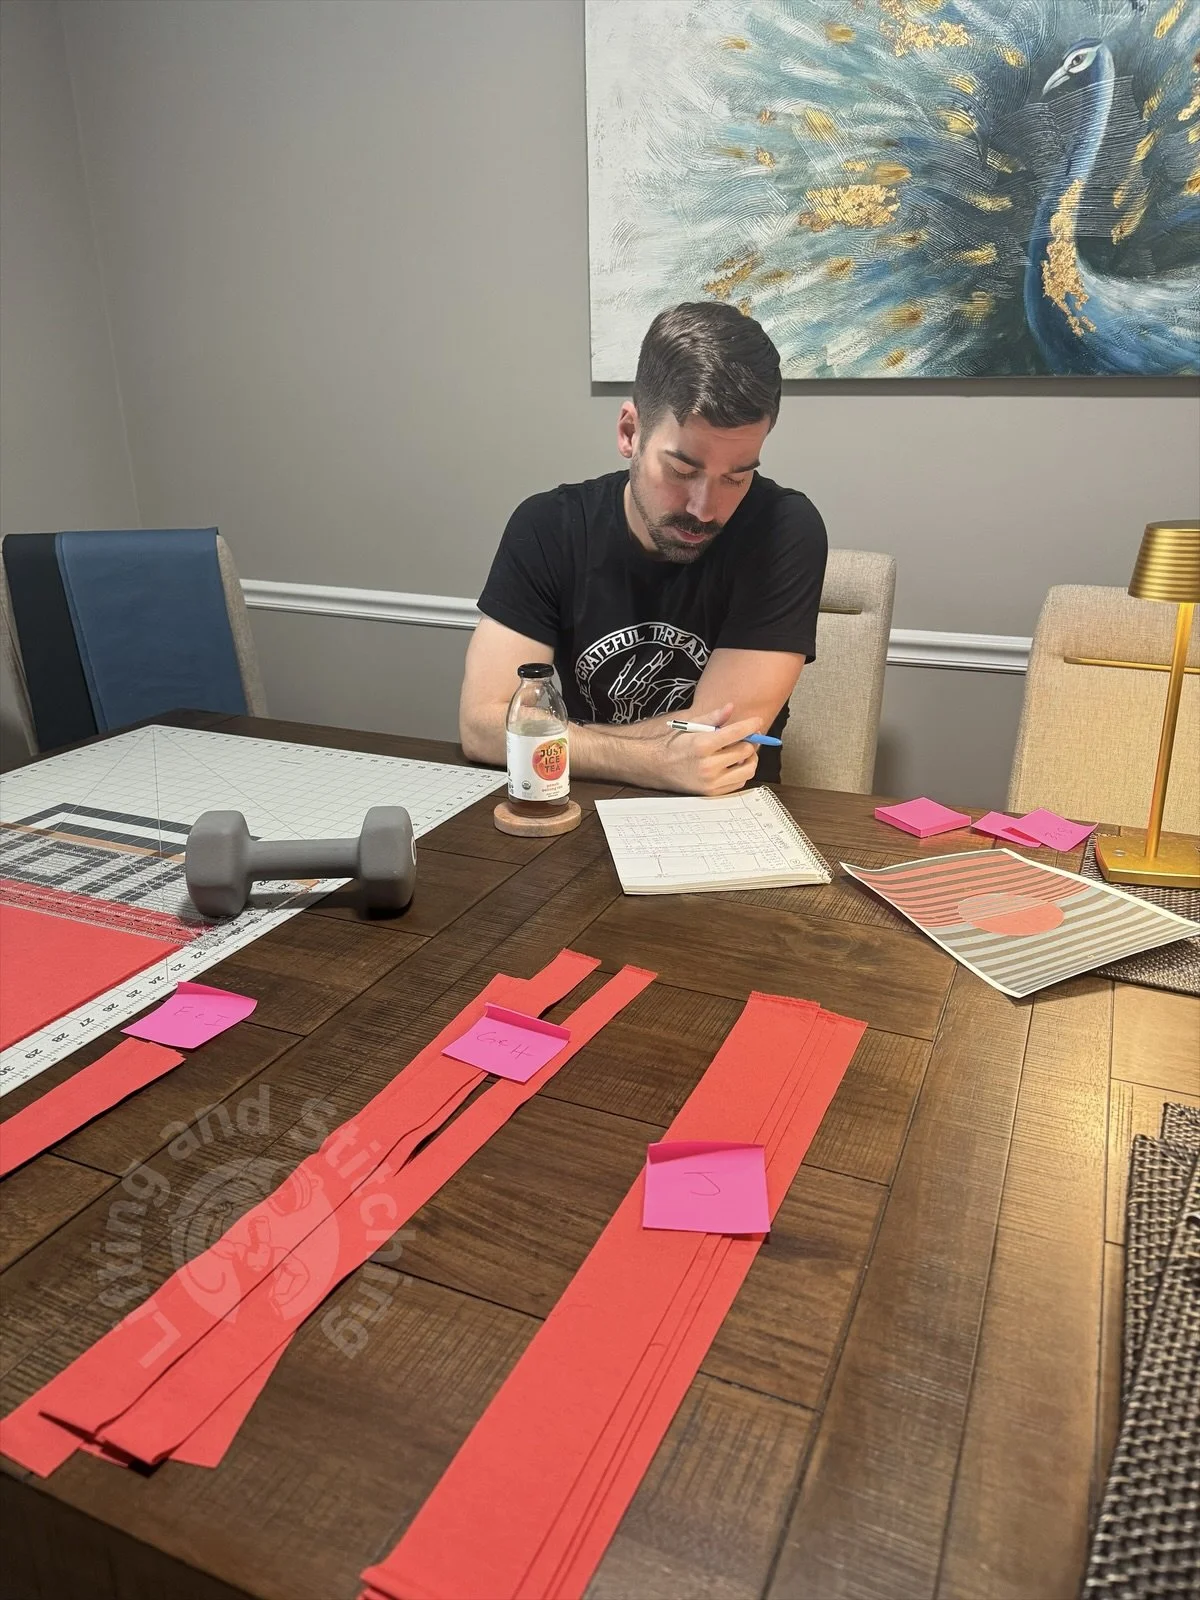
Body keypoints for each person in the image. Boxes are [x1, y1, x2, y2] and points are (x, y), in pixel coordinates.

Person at [459, 302, 827, 794]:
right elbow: (483, 727)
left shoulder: (783, 529)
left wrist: (549, 734)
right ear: (630, 432)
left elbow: (714, 744)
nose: (704, 509)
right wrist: (651, 760)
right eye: (681, 471)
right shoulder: (548, 526)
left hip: (726, 813)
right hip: (578, 801)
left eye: (736, 478)